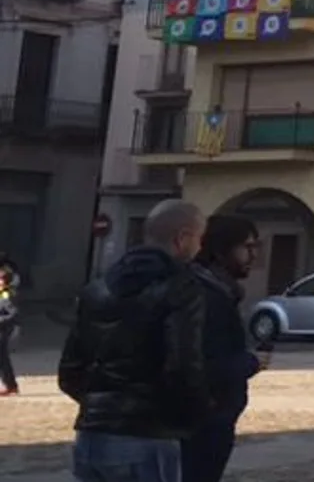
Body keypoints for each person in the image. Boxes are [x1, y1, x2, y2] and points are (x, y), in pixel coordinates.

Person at [59, 199, 212, 482]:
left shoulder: (97, 288)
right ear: (183, 238)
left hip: (91, 434)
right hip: (146, 435)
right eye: (200, 238)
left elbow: (70, 371)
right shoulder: (181, 287)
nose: (200, 247)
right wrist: (195, 416)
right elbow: (182, 366)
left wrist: (99, 404)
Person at [182, 217, 266, 482]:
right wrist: (251, 362)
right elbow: (204, 364)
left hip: (212, 421)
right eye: (246, 247)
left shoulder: (220, 291)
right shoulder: (205, 295)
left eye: (255, 247)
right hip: (201, 423)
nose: (253, 255)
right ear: (220, 251)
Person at [0, 253, 20, 396]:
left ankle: (11, 385)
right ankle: (11, 385)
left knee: (3, 358)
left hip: (3, 329)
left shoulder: (7, 293)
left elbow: (11, 312)